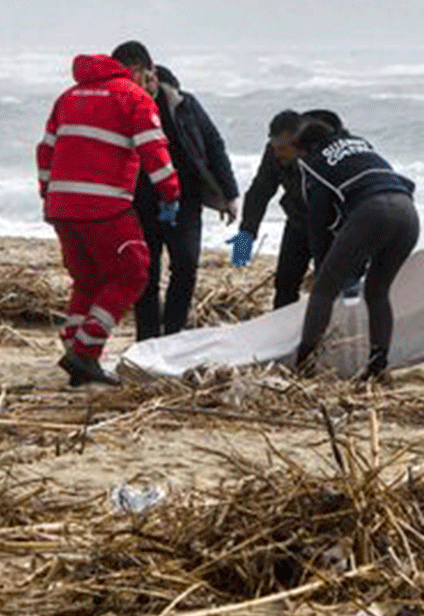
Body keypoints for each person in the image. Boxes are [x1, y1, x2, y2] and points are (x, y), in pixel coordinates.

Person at [37, 46, 181, 387]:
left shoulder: (69, 97)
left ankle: (75, 346)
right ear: (141, 70)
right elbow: (155, 153)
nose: (152, 84)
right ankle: (85, 350)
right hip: (105, 206)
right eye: (150, 77)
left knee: (88, 279)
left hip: (62, 205)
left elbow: (45, 150)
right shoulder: (134, 98)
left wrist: (48, 194)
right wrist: (171, 194)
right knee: (134, 271)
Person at [286, 117, 419, 383]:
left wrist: (242, 246)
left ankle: (303, 362)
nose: (280, 157)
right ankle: (378, 363)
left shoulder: (310, 164)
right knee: (377, 291)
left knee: (322, 288)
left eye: (282, 150)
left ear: (300, 147)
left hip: (362, 212)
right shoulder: (359, 145)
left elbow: (318, 222)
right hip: (405, 211)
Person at [129, 61, 239, 339]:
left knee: (186, 264)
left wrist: (229, 194)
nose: (147, 86)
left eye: (151, 80)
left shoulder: (184, 105)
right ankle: (147, 338)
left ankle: (174, 334)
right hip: (141, 201)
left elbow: (214, 144)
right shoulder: (127, 106)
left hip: (184, 199)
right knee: (145, 273)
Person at [230, 108, 346, 309]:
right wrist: (245, 236)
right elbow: (260, 190)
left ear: (300, 143)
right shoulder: (275, 152)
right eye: (274, 147)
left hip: (331, 225)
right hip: (298, 221)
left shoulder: (330, 149)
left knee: (328, 283)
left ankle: (324, 330)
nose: (277, 154)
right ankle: (280, 333)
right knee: (285, 283)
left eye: (283, 149)